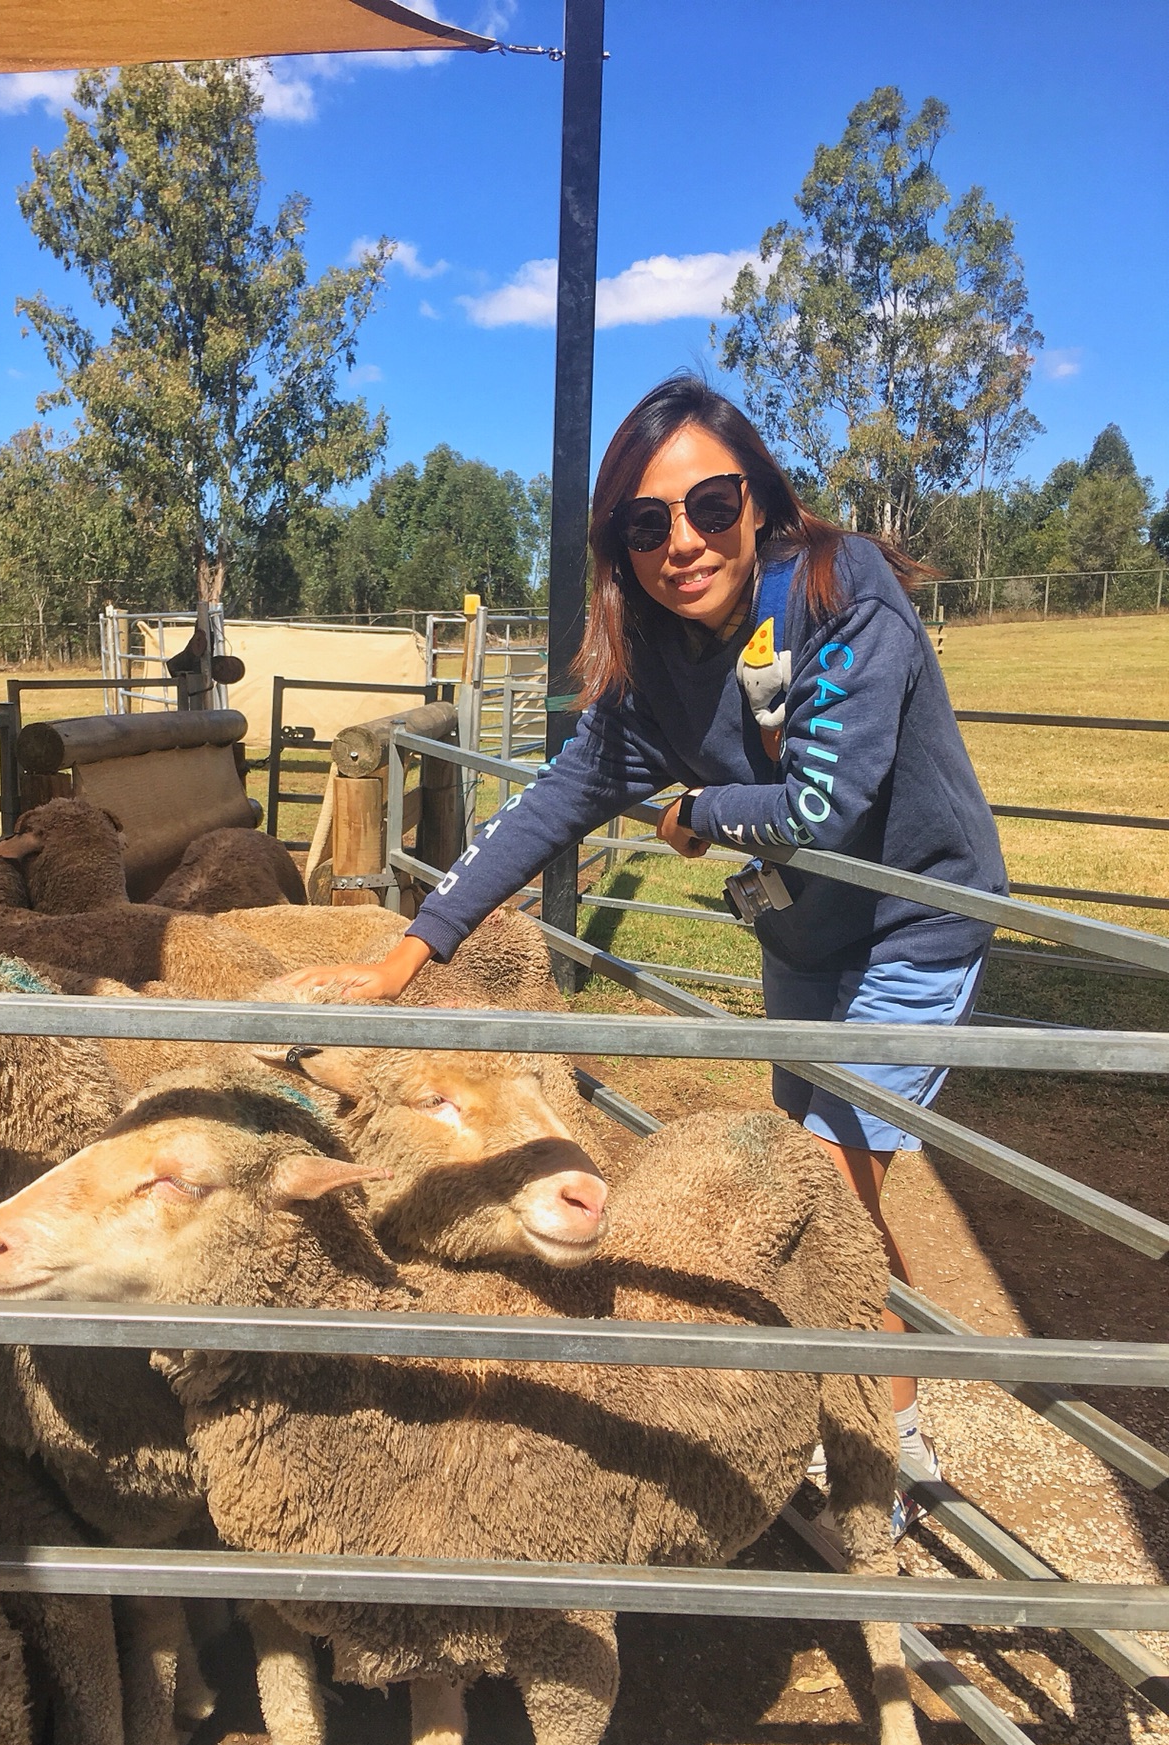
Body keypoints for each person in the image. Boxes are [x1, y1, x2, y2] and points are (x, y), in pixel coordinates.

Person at [284, 374, 1007, 1538]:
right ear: (621, 543)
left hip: (911, 923)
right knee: (838, 1176)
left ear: (759, 501)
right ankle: (885, 1383)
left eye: (711, 505)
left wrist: (696, 816)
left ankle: (880, 1442)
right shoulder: (655, 660)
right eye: (647, 522)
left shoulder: (839, 590)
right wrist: (411, 949)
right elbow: (550, 805)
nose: (684, 542)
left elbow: (824, 804)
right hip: (803, 930)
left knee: (821, 1184)